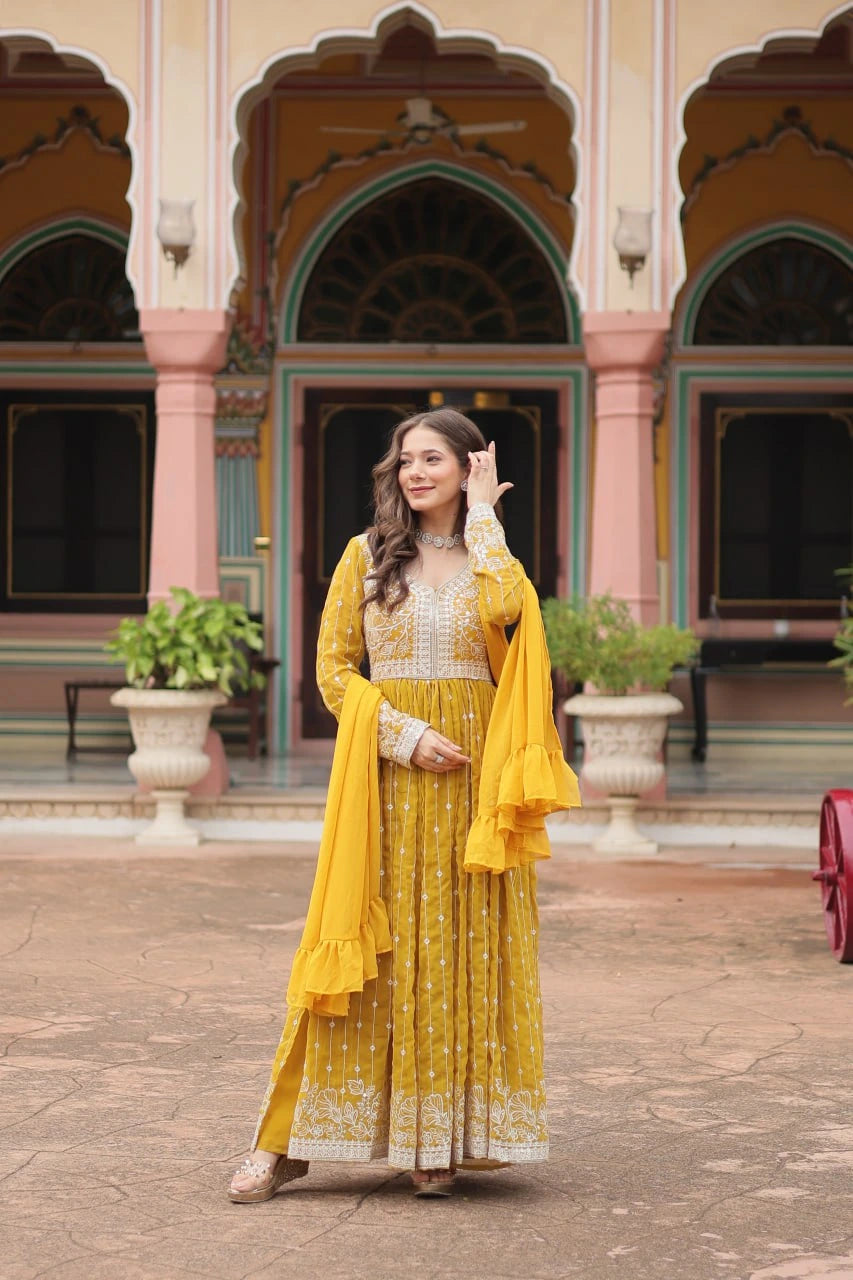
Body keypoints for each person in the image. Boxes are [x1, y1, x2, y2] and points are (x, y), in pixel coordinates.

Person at [229, 408, 580, 1202]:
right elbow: (331, 672)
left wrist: (486, 519)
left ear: (466, 469)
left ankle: (438, 1141)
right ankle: (282, 1141)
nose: (414, 471)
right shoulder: (365, 557)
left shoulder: (496, 560)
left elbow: (506, 617)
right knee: (358, 947)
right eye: (404, 460)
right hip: (386, 781)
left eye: (433, 459)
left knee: (459, 952)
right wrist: (401, 733)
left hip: (474, 788)